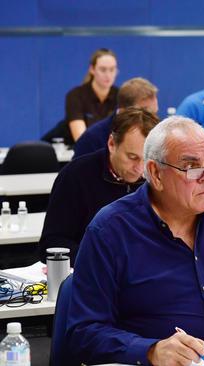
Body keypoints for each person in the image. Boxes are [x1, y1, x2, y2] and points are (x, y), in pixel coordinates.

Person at [67, 116, 204, 365]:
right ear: (156, 174)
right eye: (192, 167)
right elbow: (83, 331)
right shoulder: (110, 230)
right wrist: (150, 350)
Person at [38, 108, 158, 264]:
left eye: (146, 159)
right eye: (132, 157)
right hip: (94, 271)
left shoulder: (157, 176)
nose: (140, 168)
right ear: (111, 144)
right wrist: (102, 262)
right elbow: (52, 243)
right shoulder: (76, 175)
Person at [73, 77, 159, 159]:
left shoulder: (157, 137)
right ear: (123, 111)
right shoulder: (92, 140)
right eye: (145, 114)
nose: (153, 121)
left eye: (155, 113)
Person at [65, 48, 119, 142]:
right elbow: (81, 139)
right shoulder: (76, 95)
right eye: (103, 70)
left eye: (112, 69)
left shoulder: (121, 96)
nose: (108, 75)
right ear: (92, 69)